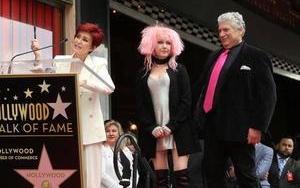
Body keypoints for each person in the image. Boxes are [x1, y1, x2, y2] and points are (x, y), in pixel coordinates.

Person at [193, 12, 277, 188]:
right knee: (213, 174)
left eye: (226, 29)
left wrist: (258, 127)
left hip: (241, 129)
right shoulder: (213, 56)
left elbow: (268, 95)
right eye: (219, 30)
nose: (222, 34)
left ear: (241, 30)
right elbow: (202, 88)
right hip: (212, 127)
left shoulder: (257, 56)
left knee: (245, 175)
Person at [31, 22, 115, 188]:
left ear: (92, 47)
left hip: (89, 131)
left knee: (90, 180)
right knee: (66, 178)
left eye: (85, 40)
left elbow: (109, 87)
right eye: (78, 37)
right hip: (65, 128)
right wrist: (38, 57)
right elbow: (45, 86)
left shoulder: (98, 64)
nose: (79, 41)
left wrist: (84, 82)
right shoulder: (60, 61)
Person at [136, 23, 200, 188]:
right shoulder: (143, 73)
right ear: (151, 44)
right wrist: (151, 127)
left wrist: (172, 126)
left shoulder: (180, 70)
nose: (164, 46)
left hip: (178, 129)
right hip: (155, 132)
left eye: (168, 42)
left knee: (182, 179)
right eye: (160, 42)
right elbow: (140, 105)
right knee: (161, 181)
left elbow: (186, 101)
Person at [102, 120, 138, 188]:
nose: (111, 133)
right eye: (107, 131)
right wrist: (117, 187)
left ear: (119, 133)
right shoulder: (101, 150)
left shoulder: (125, 150)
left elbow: (135, 171)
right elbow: (101, 174)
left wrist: (131, 186)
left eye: (114, 131)